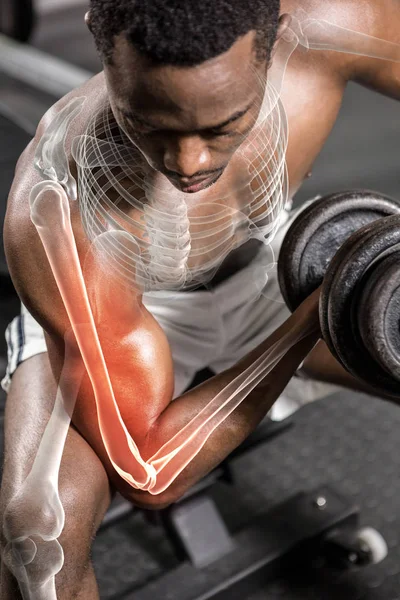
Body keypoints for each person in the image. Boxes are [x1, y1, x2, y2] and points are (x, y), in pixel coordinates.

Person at [1, 0, 400, 597]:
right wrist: (316, 314)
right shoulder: (56, 207)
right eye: (152, 123)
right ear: (102, 45)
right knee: (39, 537)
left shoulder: (331, 28)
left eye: (223, 126)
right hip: (117, 303)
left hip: (269, 270)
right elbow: (150, 471)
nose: (188, 162)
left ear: (275, 36)